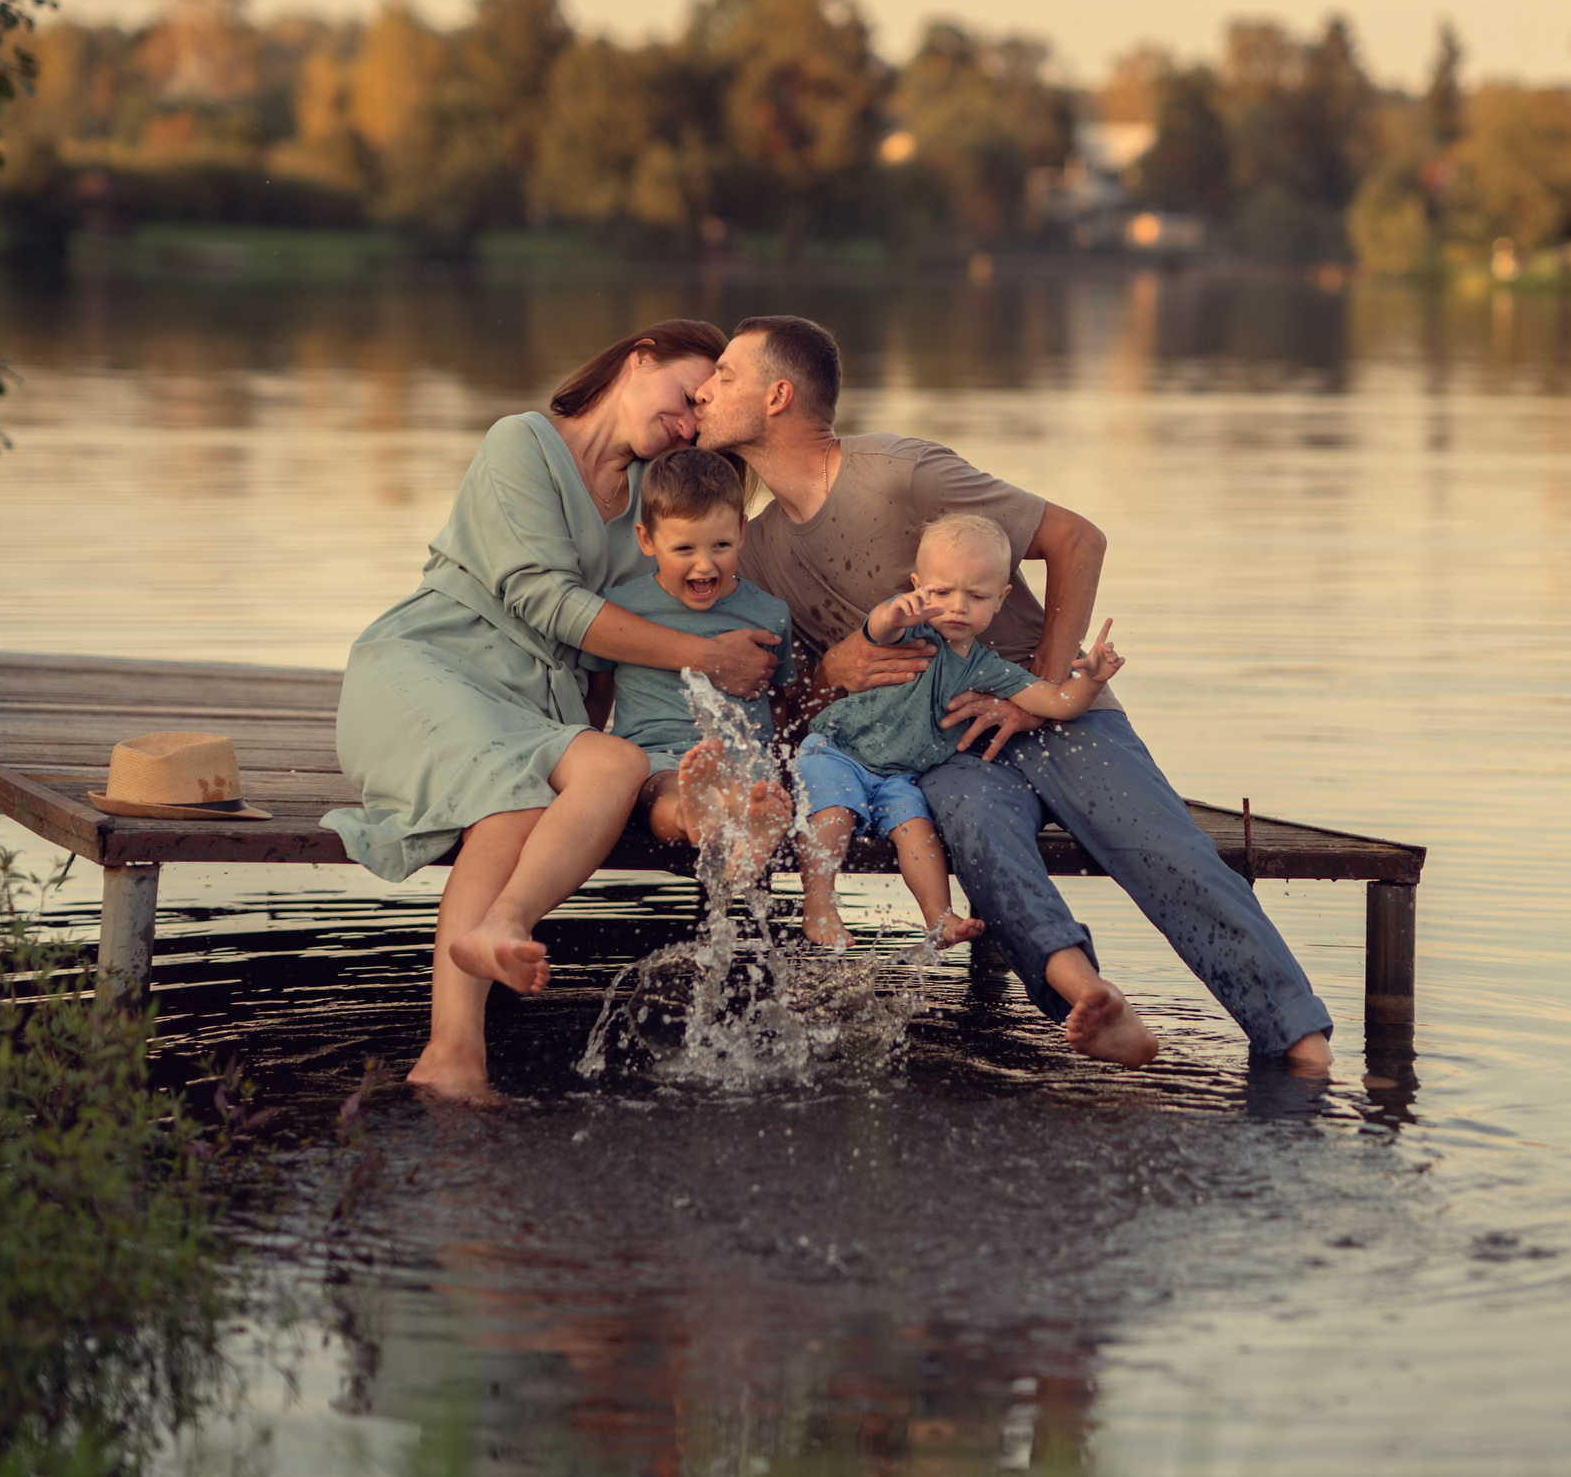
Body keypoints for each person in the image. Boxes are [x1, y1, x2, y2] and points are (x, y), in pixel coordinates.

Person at [694, 314, 1334, 1074]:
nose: (703, 391)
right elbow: (795, 704)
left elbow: (1077, 539)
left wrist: (1041, 691)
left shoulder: (899, 472)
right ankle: (1092, 1004)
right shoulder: (760, 553)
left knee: (1159, 844)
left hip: (1057, 713)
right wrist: (832, 673)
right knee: (982, 845)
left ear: (778, 395)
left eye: (724, 375)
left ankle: (1298, 1040)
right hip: (952, 746)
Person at [326, 321, 781, 1102]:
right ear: (640, 358)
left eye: (700, 415)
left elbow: (701, 568)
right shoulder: (523, 444)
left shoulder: (651, 495)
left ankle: (502, 926)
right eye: (684, 396)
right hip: (433, 664)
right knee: (510, 803)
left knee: (617, 761)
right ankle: (455, 1049)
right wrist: (705, 656)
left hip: (537, 703)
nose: (686, 422)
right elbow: (549, 601)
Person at [795, 512, 1124, 952]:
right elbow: (877, 628)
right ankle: (818, 906)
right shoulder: (907, 628)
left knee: (917, 830)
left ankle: (938, 919)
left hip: (898, 777)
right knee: (834, 813)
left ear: (1000, 599)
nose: (957, 606)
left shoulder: (984, 668)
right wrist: (892, 612)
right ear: (917, 586)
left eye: (976, 595)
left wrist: (1093, 680)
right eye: (942, 591)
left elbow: (1055, 702)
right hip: (837, 752)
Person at [594, 446, 796, 883]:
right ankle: (695, 815)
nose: (705, 564)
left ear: (743, 532)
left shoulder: (769, 613)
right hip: (650, 755)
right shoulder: (620, 610)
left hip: (742, 755)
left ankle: (749, 833)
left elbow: (777, 699)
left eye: (721, 545)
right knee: (661, 792)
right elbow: (597, 692)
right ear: (647, 540)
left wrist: (780, 761)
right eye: (684, 547)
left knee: (756, 788)